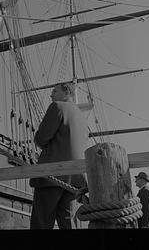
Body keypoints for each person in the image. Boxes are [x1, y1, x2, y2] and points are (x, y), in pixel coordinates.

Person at [29, 83, 94, 229]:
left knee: (42, 223)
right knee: (68, 222)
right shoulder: (82, 118)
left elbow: (41, 139)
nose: (51, 94)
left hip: (52, 174)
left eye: (54, 91)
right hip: (74, 179)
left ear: (66, 92)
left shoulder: (57, 107)